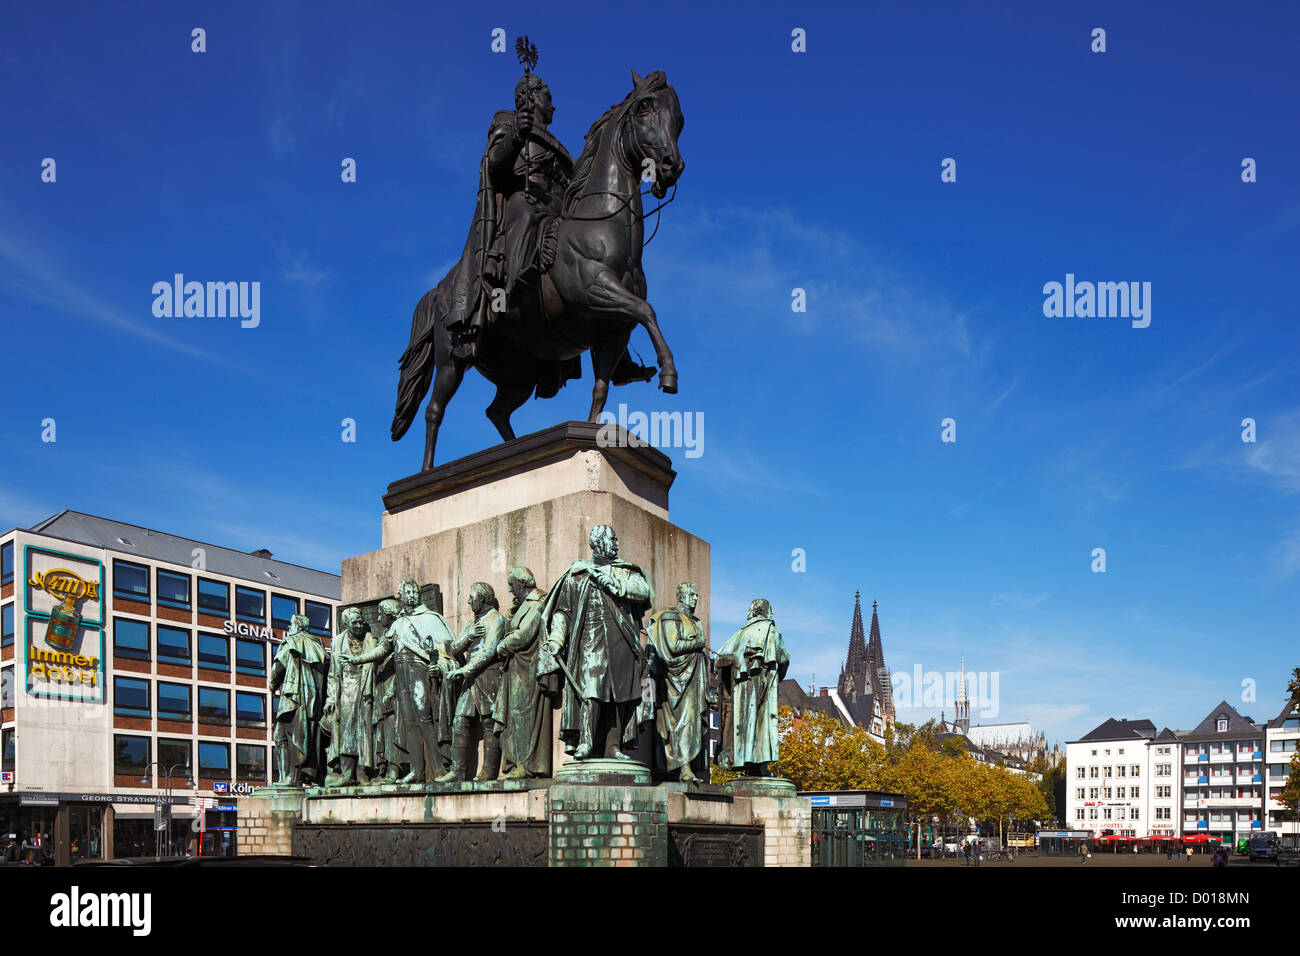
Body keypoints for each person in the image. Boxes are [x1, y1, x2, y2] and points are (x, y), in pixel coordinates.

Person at [540, 525, 654, 760]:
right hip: (590, 640)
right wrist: (556, 638)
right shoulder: (578, 573)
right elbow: (563, 611)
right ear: (597, 542)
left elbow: (643, 591)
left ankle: (613, 746)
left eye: (616, 539)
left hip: (621, 639)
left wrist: (617, 585)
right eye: (611, 539)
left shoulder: (625, 571)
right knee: (591, 690)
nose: (615, 543)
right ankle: (586, 742)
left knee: (618, 695)